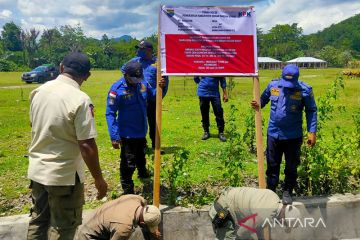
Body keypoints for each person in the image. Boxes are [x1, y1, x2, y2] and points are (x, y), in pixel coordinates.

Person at [27, 52, 108, 240]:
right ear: (87, 76)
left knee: (38, 221)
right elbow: (87, 144)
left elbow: (34, 125)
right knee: (63, 227)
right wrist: (99, 179)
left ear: (61, 67)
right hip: (63, 176)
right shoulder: (80, 100)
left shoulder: (38, 92)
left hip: (38, 171)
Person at [251, 64, 317, 204]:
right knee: (272, 164)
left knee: (291, 166)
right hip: (274, 133)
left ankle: (287, 190)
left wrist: (312, 131)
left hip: (293, 135)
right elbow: (263, 99)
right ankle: (271, 192)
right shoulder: (273, 86)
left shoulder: (305, 90)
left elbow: (311, 110)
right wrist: (258, 103)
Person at [106, 61, 167, 194]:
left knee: (140, 154)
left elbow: (155, 96)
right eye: (133, 78)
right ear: (126, 75)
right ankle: (128, 190)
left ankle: (143, 173)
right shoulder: (116, 89)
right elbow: (110, 113)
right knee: (128, 162)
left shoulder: (143, 83)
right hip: (127, 133)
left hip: (141, 130)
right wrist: (114, 136)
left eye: (138, 78)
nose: (136, 81)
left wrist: (162, 86)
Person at [121, 40, 169, 151]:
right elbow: (124, 70)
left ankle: (155, 145)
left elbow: (164, 81)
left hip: (152, 98)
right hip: (138, 98)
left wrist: (160, 94)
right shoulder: (135, 61)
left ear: (148, 50)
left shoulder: (158, 63)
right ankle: (142, 144)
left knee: (154, 122)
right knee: (139, 121)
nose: (138, 51)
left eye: (141, 49)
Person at [209, 187, 301, 240]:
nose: (282, 225)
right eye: (284, 223)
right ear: (282, 219)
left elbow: (258, 225)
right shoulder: (265, 215)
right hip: (223, 212)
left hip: (228, 203)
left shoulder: (274, 198)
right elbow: (241, 233)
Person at [76, 194, 161, 240]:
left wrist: (153, 229)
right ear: (142, 223)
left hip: (89, 221)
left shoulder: (135, 198)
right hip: (87, 236)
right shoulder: (124, 228)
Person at [194, 76, 228, 142]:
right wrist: (202, 83)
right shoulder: (202, 66)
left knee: (219, 112)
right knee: (204, 113)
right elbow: (195, 77)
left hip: (215, 93)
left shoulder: (217, 66)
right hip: (203, 92)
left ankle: (221, 132)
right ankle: (206, 132)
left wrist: (225, 93)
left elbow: (222, 78)